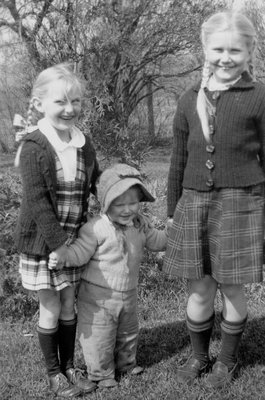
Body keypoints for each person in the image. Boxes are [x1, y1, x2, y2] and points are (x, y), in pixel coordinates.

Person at [163, 10, 265, 389]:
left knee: (232, 286)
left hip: (242, 203)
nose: (226, 57)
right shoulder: (190, 98)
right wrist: (172, 211)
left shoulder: (259, 96)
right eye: (218, 48)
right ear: (205, 49)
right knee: (200, 286)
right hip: (194, 203)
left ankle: (226, 360)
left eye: (235, 50)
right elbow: (178, 159)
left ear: (249, 50)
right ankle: (198, 355)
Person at [14, 63, 100, 398]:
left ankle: (70, 366)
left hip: (73, 240)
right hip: (43, 244)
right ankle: (54, 373)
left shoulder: (83, 142)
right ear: (39, 104)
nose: (69, 109)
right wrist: (58, 246)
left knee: (69, 304)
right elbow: (37, 202)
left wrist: (118, 196)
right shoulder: (35, 146)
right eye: (60, 102)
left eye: (76, 102)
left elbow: (96, 181)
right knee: (50, 305)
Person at [48, 163, 168, 389]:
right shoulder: (95, 228)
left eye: (132, 203)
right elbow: (80, 252)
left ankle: (126, 364)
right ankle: (101, 373)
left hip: (128, 293)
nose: (127, 209)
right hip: (97, 297)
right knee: (98, 338)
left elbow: (158, 242)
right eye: (119, 204)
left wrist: (173, 233)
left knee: (128, 332)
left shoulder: (139, 226)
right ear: (105, 205)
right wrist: (63, 257)